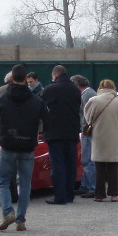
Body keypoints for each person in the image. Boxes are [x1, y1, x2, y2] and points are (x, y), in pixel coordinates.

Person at [0, 64, 49, 232]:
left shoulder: (3, 98)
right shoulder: (36, 100)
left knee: (3, 180)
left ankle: (8, 211)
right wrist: (36, 133)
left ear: (12, 78)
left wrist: (1, 132)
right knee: (25, 183)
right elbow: (47, 121)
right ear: (26, 79)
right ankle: (21, 219)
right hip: (28, 145)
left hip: (8, 144)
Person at [41, 64, 81, 205]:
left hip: (55, 133)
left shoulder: (50, 89)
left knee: (58, 165)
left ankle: (60, 196)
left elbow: (41, 106)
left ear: (55, 75)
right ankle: (69, 195)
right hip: (72, 133)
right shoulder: (75, 90)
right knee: (70, 164)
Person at [83, 79, 118, 202]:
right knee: (113, 167)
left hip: (99, 136)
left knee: (99, 167)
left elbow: (88, 118)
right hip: (114, 136)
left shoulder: (94, 101)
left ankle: (99, 194)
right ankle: (114, 194)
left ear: (100, 88)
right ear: (113, 88)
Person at [71, 74, 96, 197]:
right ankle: (85, 186)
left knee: (87, 160)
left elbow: (87, 114)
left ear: (77, 85)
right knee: (86, 159)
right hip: (87, 130)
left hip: (87, 131)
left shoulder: (86, 95)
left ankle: (91, 187)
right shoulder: (90, 93)